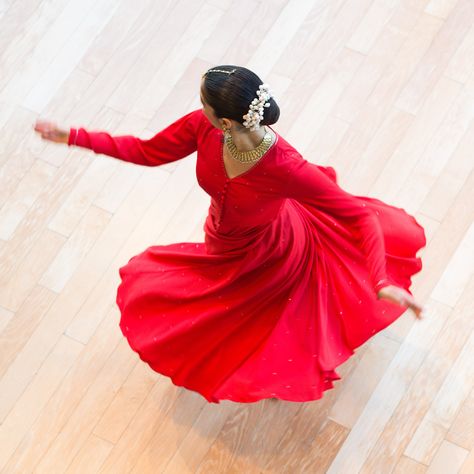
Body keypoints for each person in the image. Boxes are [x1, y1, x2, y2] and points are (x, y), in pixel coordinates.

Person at [34, 65, 426, 404]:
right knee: (229, 311)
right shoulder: (202, 128)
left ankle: (269, 374)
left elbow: (359, 216)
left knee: (266, 322)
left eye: (204, 104)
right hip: (223, 241)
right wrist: (74, 136)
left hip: (272, 253)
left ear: (225, 120)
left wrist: (378, 278)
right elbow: (147, 151)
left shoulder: (286, 167)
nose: (198, 109)